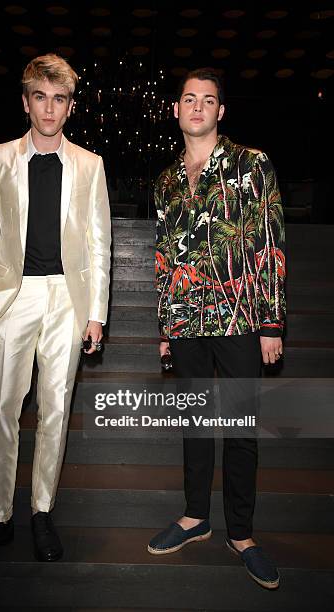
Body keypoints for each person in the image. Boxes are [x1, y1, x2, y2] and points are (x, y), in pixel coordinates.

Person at [0, 54, 111, 569]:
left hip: (68, 299)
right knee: (2, 408)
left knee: (56, 410)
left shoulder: (90, 164)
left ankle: (41, 510)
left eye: (59, 98)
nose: (49, 108)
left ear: (69, 107)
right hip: (13, 298)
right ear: (26, 102)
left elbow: (98, 244)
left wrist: (96, 314)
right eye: (40, 97)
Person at [149, 68, 285, 590]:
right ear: (176, 110)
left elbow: (271, 242)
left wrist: (271, 323)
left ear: (220, 111)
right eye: (189, 98)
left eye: (208, 100)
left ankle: (243, 535)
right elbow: (164, 257)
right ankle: (194, 516)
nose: (198, 107)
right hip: (185, 322)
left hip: (240, 319)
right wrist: (167, 324)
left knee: (240, 427)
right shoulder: (165, 182)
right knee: (195, 423)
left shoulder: (252, 165)